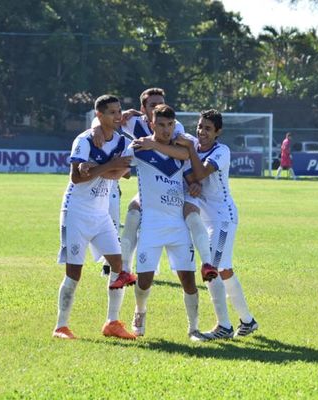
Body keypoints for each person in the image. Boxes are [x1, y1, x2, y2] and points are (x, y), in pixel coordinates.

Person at [93, 88, 217, 281]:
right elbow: (103, 117)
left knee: (192, 215)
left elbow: (183, 155)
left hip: (179, 185)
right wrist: (96, 129)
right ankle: (124, 269)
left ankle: (207, 264)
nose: (157, 108)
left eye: (160, 103)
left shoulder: (174, 127)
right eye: (152, 105)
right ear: (143, 109)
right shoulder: (133, 122)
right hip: (152, 185)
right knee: (133, 213)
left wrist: (193, 182)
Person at [53, 94, 137, 340]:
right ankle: (61, 326)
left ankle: (112, 322)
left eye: (119, 111)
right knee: (74, 274)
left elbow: (125, 174)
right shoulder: (84, 140)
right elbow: (77, 177)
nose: (118, 116)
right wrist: (110, 165)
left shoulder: (121, 141)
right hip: (76, 213)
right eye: (112, 112)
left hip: (101, 215)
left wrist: (102, 168)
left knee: (119, 267)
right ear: (98, 115)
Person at [121, 104, 204, 340]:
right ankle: (139, 312)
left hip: (177, 224)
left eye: (170, 125)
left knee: (188, 279)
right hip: (151, 225)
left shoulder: (178, 149)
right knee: (145, 280)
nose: (166, 129)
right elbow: (122, 165)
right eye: (161, 125)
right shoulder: (138, 147)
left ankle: (194, 328)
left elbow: (187, 164)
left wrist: (194, 184)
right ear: (151, 124)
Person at [176, 109, 259, 340]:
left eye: (208, 129)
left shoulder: (221, 151)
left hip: (223, 218)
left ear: (218, 132)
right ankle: (248, 321)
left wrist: (191, 153)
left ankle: (223, 326)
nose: (201, 132)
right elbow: (190, 176)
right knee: (224, 270)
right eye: (200, 127)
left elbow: (201, 172)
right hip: (206, 217)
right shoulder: (193, 145)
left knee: (210, 268)